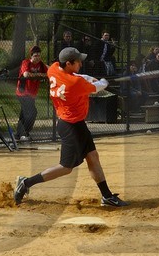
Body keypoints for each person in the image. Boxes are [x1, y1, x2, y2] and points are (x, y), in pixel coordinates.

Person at [12, 46, 128, 208]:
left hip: (75, 123)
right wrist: (104, 81)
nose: (81, 63)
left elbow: (78, 76)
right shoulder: (75, 83)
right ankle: (26, 183)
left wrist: (87, 77)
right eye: (78, 61)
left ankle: (107, 196)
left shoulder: (54, 68)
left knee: (93, 156)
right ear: (68, 63)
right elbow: (98, 87)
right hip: (71, 126)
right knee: (66, 168)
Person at [15, 45, 46, 140]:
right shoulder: (26, 62)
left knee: (24, 114)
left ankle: (18, 135)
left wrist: (39, 75)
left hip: (32, 93)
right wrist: (40, 75)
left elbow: (48, 73)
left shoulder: (41, 64)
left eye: (39, 55)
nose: (37, 57)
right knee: (32, 112)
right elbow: (26, 74)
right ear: (31, 56)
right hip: (23, 92)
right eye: (35, 55)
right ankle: (25, 133)